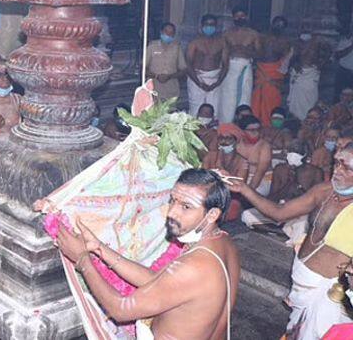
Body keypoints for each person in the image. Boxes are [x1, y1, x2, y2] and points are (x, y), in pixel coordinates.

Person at [56, 169, 239, 340]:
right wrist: (98, 248)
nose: (172, 212)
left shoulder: (193, 266)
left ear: (212, 214)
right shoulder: (223, 243)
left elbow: (120, 310)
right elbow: (158, 281)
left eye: (186, 206)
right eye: (172, 200)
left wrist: (82, 260)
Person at [227, 143, 353, 339]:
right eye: (337, 163)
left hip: (329, 293)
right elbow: (279, 213)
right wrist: (243, 188)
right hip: (301, 280)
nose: (338, 170)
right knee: (295, 330)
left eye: (347, 167)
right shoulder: (323, 191)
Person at [218, 7, 260, 123]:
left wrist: (246, 51)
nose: (239, 18)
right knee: (228, 98)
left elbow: (259, 53)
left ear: (246, 17)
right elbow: (223, 53)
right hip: (230, 68)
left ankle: (243, 124)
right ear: (233, 18)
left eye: (242, 15)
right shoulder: (227, 34)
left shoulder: (253, 34)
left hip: (245, 67)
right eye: (237, 16)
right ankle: (226, 124)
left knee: (244, 97)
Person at [251, 16, 292, 125]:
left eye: (281, 25)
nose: (278, 27)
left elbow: (286, 61)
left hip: (274, 73)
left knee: (272, 100)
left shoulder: (285, 42)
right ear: (272, 24)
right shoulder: (261, 37)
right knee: (256, 100)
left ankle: (268, 125)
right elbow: (254, 53)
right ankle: (255, 123)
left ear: (284, 28)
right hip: (261, 71)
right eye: (276, 24)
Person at [186, 14, 229, 116]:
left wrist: (217, 83)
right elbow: (188, 64)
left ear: (216, 26)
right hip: (197, 78)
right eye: (207, 24)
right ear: (201, 26)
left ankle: (212, 131)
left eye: (212, 25)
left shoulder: (222, 43)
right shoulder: (194, 43)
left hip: (215, 79)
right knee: (195, 108)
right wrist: (199, 83)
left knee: (214, 109)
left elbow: (225, 65)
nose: (209, 27)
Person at [288, 32, 331, 120]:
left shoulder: (317, 57)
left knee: (309, 108)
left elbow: (328, 55)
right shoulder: (297, 53)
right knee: (295, 112)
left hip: (309, 87)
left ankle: (308, 122)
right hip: (299, 85)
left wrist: (314, 42)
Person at [145, 22, 186, 103]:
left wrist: (170, 76)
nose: (168, 35)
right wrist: (156, 76)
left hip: (171, 89)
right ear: (161, 32)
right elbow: (143, 68)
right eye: (166, 32)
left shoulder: (177, 47)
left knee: (170, 114)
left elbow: (183, 70)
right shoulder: (152, 46)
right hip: (153, 89)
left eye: (171, 33)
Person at [235, 115, 273, 196]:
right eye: (252, 130)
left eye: (258, 130)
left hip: (263, 179)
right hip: (241, 177)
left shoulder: (264, 146)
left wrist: (248, 191)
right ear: (242, 131)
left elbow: (260, 172)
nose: (256, 133)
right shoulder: (236, 144)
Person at [334, 33, 353, 98]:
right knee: (339, 96)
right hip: (343, 72)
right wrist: (351, 46)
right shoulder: (345, 40)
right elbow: (337, 55)